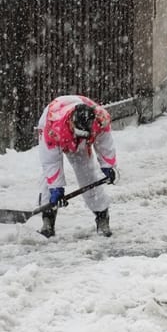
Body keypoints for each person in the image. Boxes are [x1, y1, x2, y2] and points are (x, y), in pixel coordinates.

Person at [36, 95, 117, 238]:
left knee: (87, 174)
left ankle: (102, 215)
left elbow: (104, 140)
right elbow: (50, 162)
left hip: (75, 132)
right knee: (50, 180)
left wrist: (108, 165)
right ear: (72, 123)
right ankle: (48, 218)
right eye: (79, 134)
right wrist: (56, 188)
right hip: (56, 133)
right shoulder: (52, 127)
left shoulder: (100, 119)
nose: (81, 138)